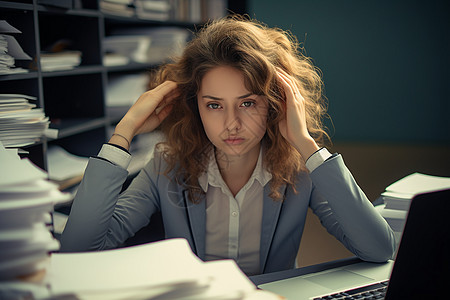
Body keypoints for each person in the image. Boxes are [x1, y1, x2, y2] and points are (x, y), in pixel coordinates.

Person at [60, 16, 395, 276]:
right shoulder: (166, 166)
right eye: (214, 105)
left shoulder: (302, 169)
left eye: (248, 103)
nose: (232, 124)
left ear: (275, 103)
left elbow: (378, 248)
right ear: (196, 107)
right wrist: (124, 132)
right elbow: (78, 253)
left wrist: (306, 144)